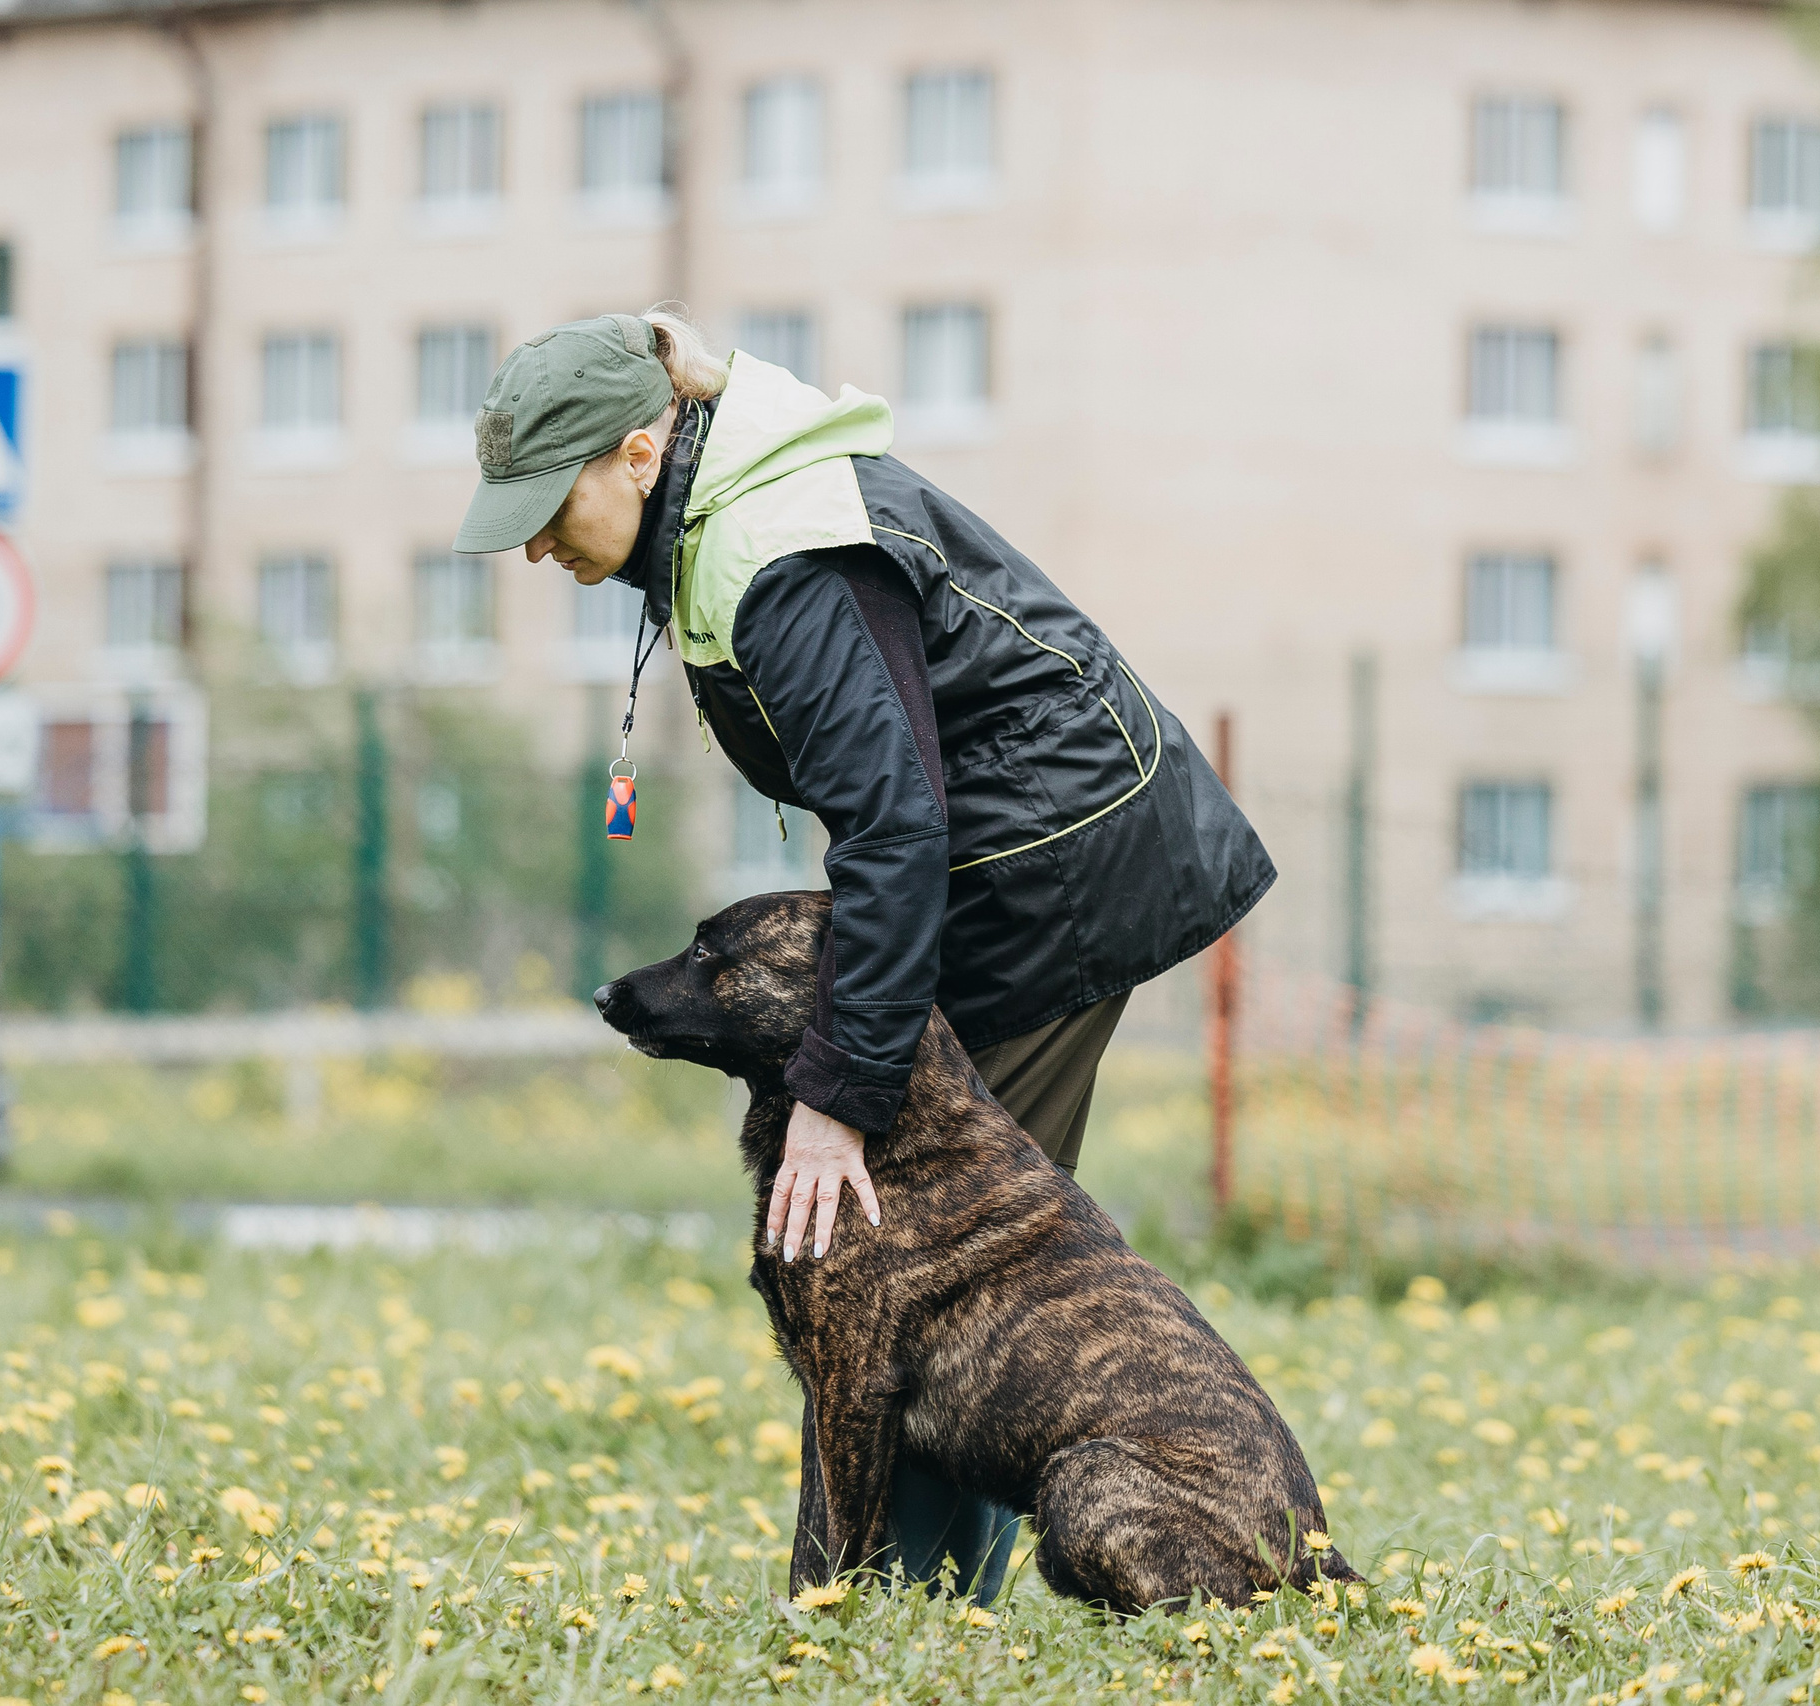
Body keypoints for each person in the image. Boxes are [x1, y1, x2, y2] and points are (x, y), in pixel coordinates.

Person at [455, 306, 1274, 1602]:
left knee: (917, 1259)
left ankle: (901, 1613)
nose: (539, 546)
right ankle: (882, 1600)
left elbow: (894, 821)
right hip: (1000, 865)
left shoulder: (783, 556)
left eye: (549, 507)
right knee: (893, 1262)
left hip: (1054, 874)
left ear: (635, 452)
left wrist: (842, 1092)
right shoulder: (732, 479)